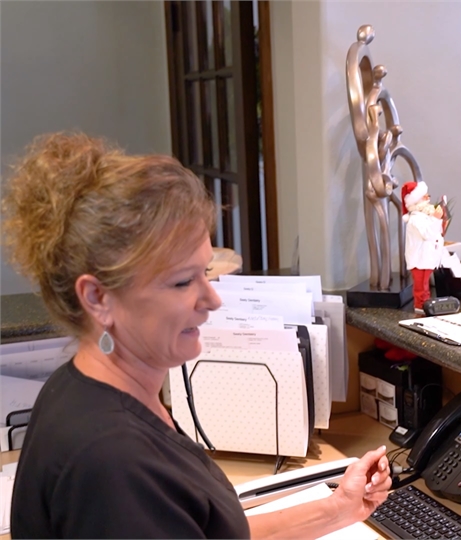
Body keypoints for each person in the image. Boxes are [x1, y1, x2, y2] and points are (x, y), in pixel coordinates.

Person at [3, 132, 393, 538]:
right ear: (98, 297)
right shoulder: (113, 462)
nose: (212, 299)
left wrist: (337, 510)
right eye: (181, 282)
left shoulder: (86, 388)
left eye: (206, 272)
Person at [401, 180, 446, 313]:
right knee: (421, 285)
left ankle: (425, 304)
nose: (428, 198)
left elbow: (434, 232)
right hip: (419, 260)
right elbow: (427, 233)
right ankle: (420, 306)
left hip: (425, 258)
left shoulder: (424, 216)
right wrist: (436, 219)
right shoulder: (416, 219)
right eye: (424, 196)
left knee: (425, 284)